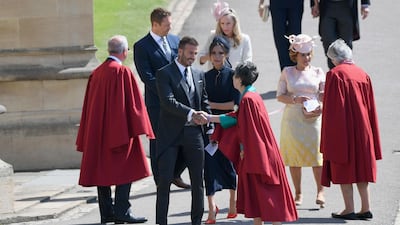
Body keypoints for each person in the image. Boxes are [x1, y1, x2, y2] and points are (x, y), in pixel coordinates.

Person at [207, 62, 298, 225]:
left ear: (240, 79)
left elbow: (250, 130)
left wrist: (246, 152)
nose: (233, 78)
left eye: (235, 76)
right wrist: (209, 118)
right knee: (260, 200)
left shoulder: (248, 99)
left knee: (267, 198)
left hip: (258, 155)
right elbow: (237, 117)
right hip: (262, 152)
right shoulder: (252, 95)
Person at [76, 35, 153, 224]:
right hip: (120, 132)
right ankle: (122, 212)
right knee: (124, 170)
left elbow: (87, 107)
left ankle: (107, 213)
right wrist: (142, 127)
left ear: (110, 51)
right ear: (125, 52)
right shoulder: (123, 72)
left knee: (101, 172)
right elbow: (134, 105)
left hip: (98, 132)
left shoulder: (96, 73)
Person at [320, 39, 382, 220]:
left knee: (343, 166)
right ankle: (365, 207)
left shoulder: (335, 75)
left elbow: (333, 108)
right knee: (362, 167)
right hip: (363, 129)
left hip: (343, 129)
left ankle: (349, 208)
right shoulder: (363, 74)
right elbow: (370, 107)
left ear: (334, 59)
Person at [155, 36, 213, 225]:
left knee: (198, 181)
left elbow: (204, 101)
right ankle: (161, 221)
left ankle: (196, 221)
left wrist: (209, 125)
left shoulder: (198, 75)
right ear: (180, 51)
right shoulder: (164, 73)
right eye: (190, 53)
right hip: (170, 135)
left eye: (195, 54)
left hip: (193, 134)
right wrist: (191, 113)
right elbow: (168, 101)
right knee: (164, 182)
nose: (193, 57)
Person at [133, 7, 190, 189]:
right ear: (155, 24)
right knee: (158, 142)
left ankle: (175, 173)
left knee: (187, 138)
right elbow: (146, 76)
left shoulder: (174, 40)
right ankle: (161, 181)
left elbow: (182, 65)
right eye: (166, 25)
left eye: (170, 24)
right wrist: (166, 93)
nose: (169, 28)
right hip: (157, 103)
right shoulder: (142, 46)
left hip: (179, 101)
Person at [276, 34, 325, 207]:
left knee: (317, 156)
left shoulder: (318, 72)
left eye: (309, 54)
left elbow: (323, 93)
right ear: (295, 55)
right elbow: (280, 96)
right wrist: (295, 100)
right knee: (294, 157)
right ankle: (298, 193)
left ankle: (320, 190)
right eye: (303, 54)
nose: (307, 58)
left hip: (313, 118)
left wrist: (322, 99)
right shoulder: (287, 72)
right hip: (293, 119)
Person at [203, 36, 240, 224]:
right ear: (210, 56)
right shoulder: (204, 77)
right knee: (208, 167)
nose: (217, 57)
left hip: (228, 126)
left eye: (220, 53)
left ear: (226, 55)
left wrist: (210, 105)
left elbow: (234, 105)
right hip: (208, 127)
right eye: (214, 53)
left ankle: (233, 201)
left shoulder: (233, 75)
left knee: (229, 164)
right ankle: (211, 207)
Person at [311, 0, 371, 69]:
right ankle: (334, 74)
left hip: (347, 7)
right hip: (327, 6)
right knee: (329, 44)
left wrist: (365, 4)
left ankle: (345, 74)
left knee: (345, 47)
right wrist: (314, 4)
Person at [199, 1, 252, 70]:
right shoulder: (213, 36)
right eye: (222, 23)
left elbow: (248, 61)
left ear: (234, 23)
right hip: (215, 77)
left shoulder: (244, 39)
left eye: (228, 23)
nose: (225, 27)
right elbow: (200, 58)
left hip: (235, 77)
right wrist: (211, 57)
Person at [258, 0, 305, 71]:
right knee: (280, 40)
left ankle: (296, 73)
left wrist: (314, 4)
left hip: (296, 3)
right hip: (277, 3)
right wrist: (261, 3)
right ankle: (285, 73)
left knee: (295, 40)